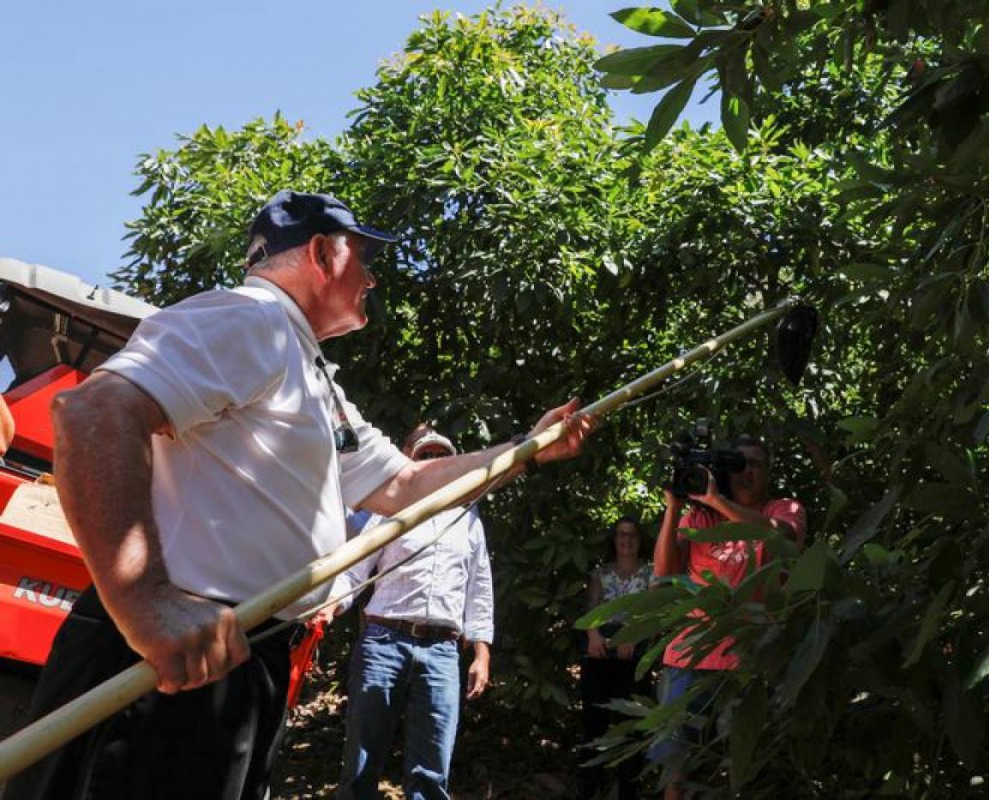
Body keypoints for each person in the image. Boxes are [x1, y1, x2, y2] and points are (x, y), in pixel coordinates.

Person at [7, 190, 594, 800]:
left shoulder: (308, 370)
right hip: (169, 655)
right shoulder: (248, 317)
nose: (372, 277)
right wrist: (145, 603)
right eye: (363, 256)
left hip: (230, 655)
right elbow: (92, 414)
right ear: (320, 251)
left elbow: (403, 486)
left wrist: (529, 446)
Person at [332, 425, 494, 800]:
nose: (434, 462)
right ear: (413, 462)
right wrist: (327, 608)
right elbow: (353, 573)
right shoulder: (389, 512)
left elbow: (479, 587)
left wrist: (481, 653)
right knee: (361, 759)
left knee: (431, 769)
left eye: (441, 456)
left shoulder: (469, 520)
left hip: (442, 650)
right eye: (425, 456)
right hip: (383, 642)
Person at [651, 434, 805, 800]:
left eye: (754, 463)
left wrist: (717, 499)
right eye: (737, 464)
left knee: (741, 767)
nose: (745, 471)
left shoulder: (785, 509)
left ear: (769, 471)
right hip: (689, 657)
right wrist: (674, 507)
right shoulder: (700, 517)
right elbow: (664, 569)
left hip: (751, 658)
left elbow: (779, 539)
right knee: (677, 765)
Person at [578, 515, 654, 800]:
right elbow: (590, 610)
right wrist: (594, 637)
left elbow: (654, 611)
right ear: (614, 539)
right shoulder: (601, 573)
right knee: (594, 722)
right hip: (601, 649)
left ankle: (628, 790)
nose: (627, 540)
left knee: (630, 725)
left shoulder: (650, 572)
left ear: (640, 539)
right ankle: (589, 788)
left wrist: (632, 636)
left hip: (634, 649)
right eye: (622, 535)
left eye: (632, 535)